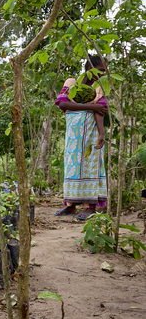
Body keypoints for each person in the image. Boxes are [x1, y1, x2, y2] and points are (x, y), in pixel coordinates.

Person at [54, 55, 109, 220]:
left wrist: (101, 133)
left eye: (104, 71)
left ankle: (89, 207)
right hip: (73, 135)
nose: (102, 74)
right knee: (72, 166)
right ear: (90, 69)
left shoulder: (100, 88)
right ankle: (70, 205)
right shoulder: (71, 84)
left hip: (91, 133)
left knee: (90, 166)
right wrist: (90, 106)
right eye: (100, 70)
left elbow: (101, 111)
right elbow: (62, 104)